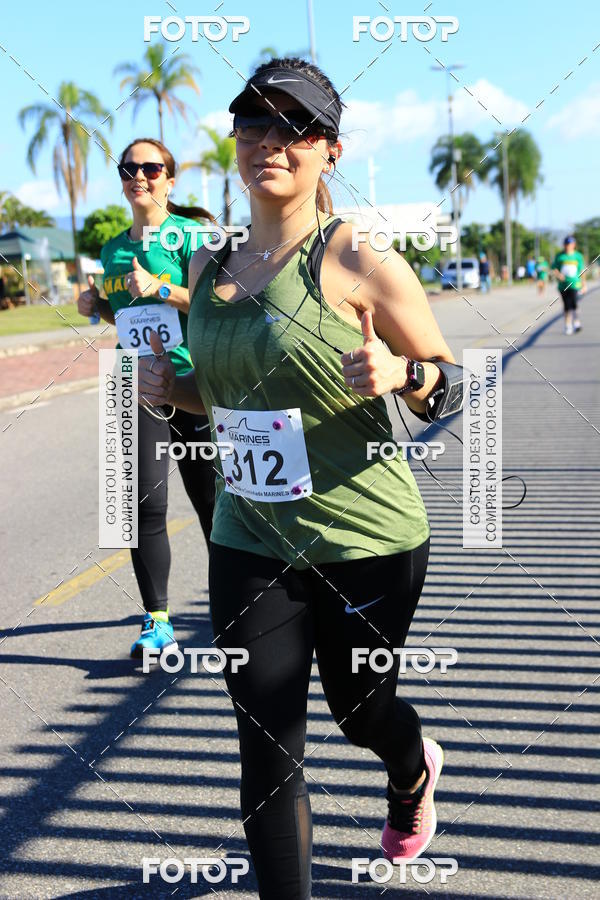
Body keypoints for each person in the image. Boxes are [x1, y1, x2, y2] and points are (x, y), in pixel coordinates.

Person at [139, 57, 457, 898]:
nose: (269, 141)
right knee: (268, 740)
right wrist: (170, 391)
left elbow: (448, 380)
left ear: (329, 151)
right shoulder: (208, 268)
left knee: (360, 710)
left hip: (366, 538)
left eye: (294, 127)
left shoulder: (360, 253)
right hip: (249, 537)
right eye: (253, 122)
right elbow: (217, 392)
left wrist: (403, 375)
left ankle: (411, 766)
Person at [77, 138, 216, 657]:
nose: (140, 176)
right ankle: (156, 620)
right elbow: (127, 316)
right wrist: (98, 305)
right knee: (144, 505)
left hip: (194, 386)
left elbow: (214, 302)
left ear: (170, 180)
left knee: (211, 505)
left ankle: (231, 605)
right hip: (137, 388)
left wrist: (160, 287)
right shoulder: (114, 249)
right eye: (130, 168)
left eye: (152, 168)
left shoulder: (191, 236)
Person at [551, 235, 586, 334]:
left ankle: (576, 323)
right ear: (564, 245)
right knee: (566, 305)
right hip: (563, 285)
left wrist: (584, 285)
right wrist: (558, 275)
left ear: (574, 245)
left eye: (570, 244)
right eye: (566, 244)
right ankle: (567, 325)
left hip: (575, 284)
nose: (568, 246)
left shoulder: (578, 256)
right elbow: (554, 268)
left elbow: (582, 271)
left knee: (574, 304)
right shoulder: (560, 256)